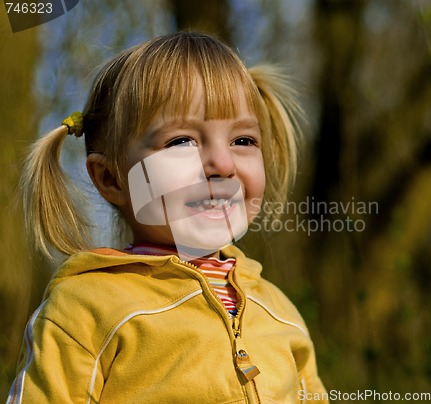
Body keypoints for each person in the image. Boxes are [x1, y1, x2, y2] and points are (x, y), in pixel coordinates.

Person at [8, 32, 328, 403]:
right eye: (181, 142)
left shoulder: (278, 310)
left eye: (242, 141)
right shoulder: (85, 310)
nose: (222, 165)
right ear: (111, 179)